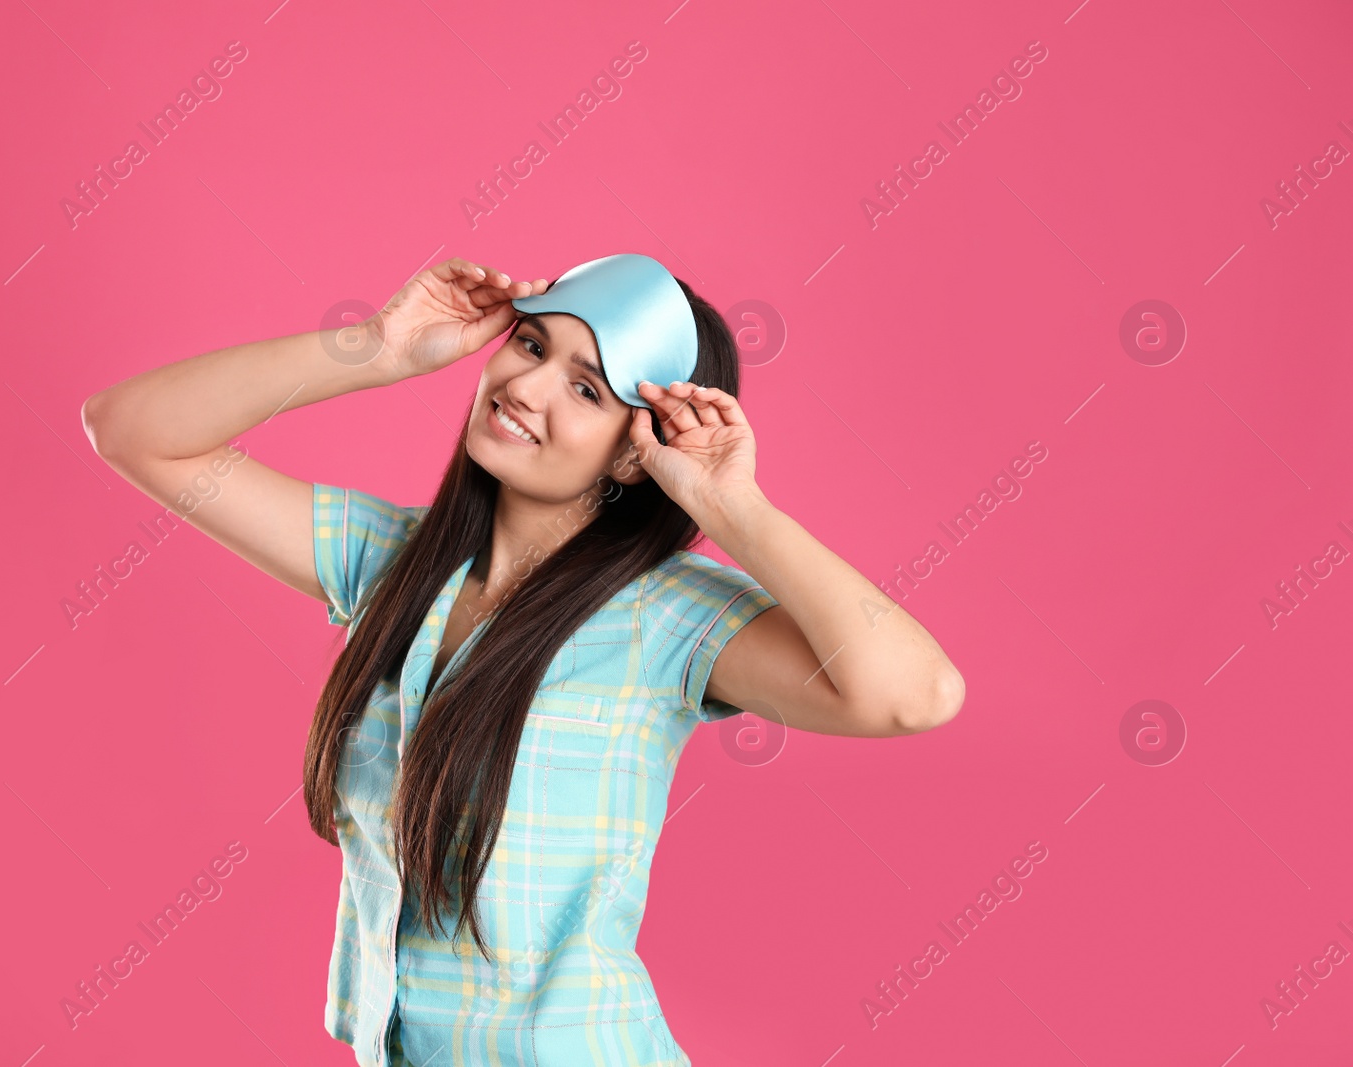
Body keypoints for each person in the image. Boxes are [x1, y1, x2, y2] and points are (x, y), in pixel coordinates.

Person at [81, 254, 964, 1065]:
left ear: (634, 445)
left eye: (586, 388)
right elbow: (132, 429)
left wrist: (729, 503)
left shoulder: (666, 616)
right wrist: (377, 348)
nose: (527, 385)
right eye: (531, 345)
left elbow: (914, 694)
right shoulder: (387, 565)